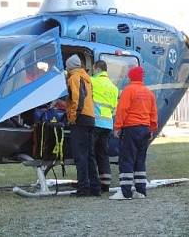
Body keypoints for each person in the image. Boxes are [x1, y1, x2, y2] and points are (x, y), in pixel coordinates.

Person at [110, 66, 157, 201]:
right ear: (142, 77)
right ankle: (141, 191)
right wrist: (152, 128)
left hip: (131, 128)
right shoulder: (149, 93)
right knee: (140, 160)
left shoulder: (128, 90)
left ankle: (125, 192)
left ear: (130, 77)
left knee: (127, 159)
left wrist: (118, 127)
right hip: (145, 129)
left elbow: (122, 110)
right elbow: (153, 113)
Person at [65, 54, 100, 197]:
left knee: (80, 155)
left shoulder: (74, 77)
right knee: (90, 155)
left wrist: (72, 117)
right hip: (90, 118)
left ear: (70, 66)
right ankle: (95, 187)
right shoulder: (87, 78)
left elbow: (77, 100)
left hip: (80, 119)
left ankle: (83, 188)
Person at [91, 60, 119, 193]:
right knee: (103, 154)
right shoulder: (114, 87)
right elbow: (114, 107)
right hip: (108, 124)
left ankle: (92, 182)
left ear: (96, 69)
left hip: (95, 123)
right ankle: (105, 183)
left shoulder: (92, 81)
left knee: (90, 153)